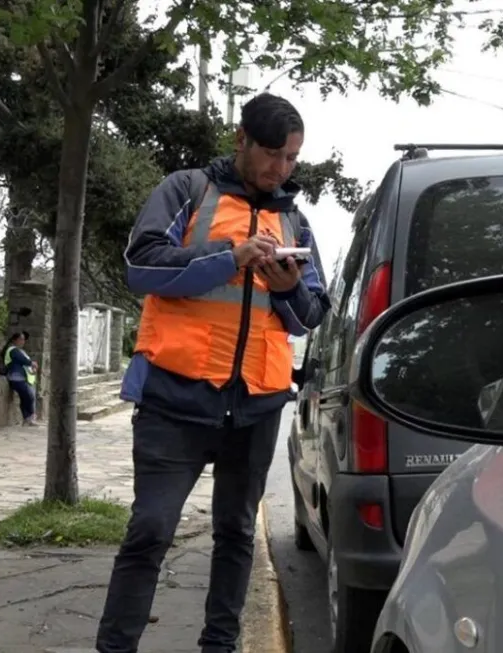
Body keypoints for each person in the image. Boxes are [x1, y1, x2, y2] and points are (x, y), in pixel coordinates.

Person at [95, 93, 330, 653]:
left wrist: (286, 286)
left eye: (292, 158)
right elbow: (141, 265)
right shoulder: (186, 191)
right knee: (149, 531)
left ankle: (218, 647)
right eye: (273, 153)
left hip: (255, 406)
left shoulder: (293, 218)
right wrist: (233, 256)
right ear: (241, 140)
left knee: (236, 533)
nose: (281, 168)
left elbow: (310, 316)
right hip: (174, 400)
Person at [0, 331, 38, 426]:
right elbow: (22, 360)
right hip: (16, 378)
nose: (23, 341)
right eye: (21, 339)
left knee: (26, 397)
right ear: (14, 340)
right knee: (29, 396)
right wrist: (31, 363)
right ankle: (30, 417)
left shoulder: (20, 351)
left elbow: (25, 363)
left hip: (24, 378)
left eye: (24, 339)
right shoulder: (13, 350)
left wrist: (31, 369)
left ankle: (27, 419)